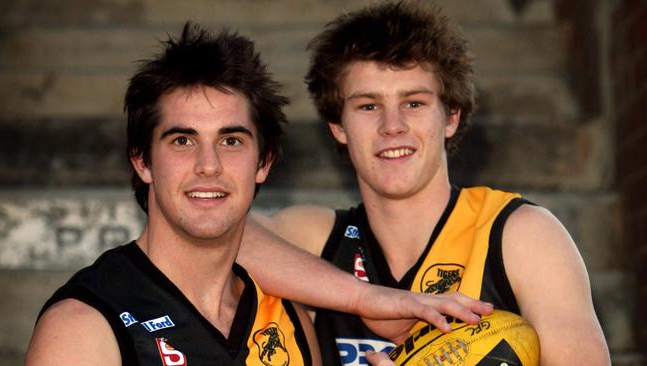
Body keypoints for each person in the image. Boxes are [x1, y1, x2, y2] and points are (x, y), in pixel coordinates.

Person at [26, 20, 492, 366]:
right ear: (142, 161)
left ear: (263, 163)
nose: (208, 165)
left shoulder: (288, 318)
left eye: (231, 141)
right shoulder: (85, 327)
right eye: (182, 140)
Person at [243, 1, 611, 365]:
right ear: (337, 126)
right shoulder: (318, 239)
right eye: (368, 106)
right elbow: (211, 234)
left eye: (414, 103)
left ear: (451, 116)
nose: (392, 126)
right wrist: (364, 297)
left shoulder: (519, 235)